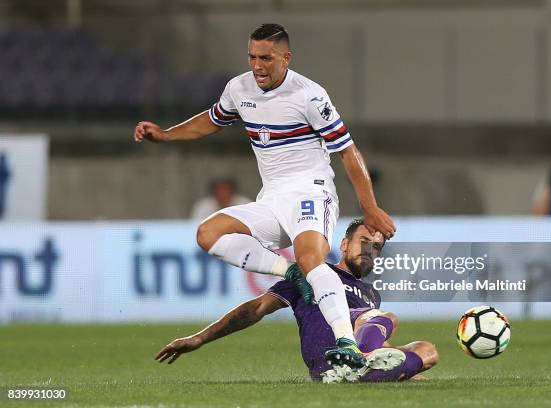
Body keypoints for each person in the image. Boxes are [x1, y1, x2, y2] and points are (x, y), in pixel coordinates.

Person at [134, 23, 396, 367]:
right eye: (252, 56)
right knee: (207, 233)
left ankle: (346, 342)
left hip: (311, 191)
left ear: (286, 58)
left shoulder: (310, 96)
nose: (257, 65)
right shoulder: (238, 88)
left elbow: (348, 151)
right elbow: (213, 120)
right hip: (271, 198)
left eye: (266, 58)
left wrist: (370, 207)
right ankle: (289, 273)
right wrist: (166, 135)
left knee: (311, 259)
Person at [154, 218, 438, 383]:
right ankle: (353, 361)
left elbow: (377, 342)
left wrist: (404, 370)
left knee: (427, 350)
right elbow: (256, 308)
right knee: (385, 318)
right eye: (363, 241)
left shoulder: (371, 294)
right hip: (327, 358)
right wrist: (200, 339)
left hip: (355, 363)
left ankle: (360, 367)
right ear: (343, 244)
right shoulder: (313, 273)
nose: (369, 250)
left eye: (376, 247)